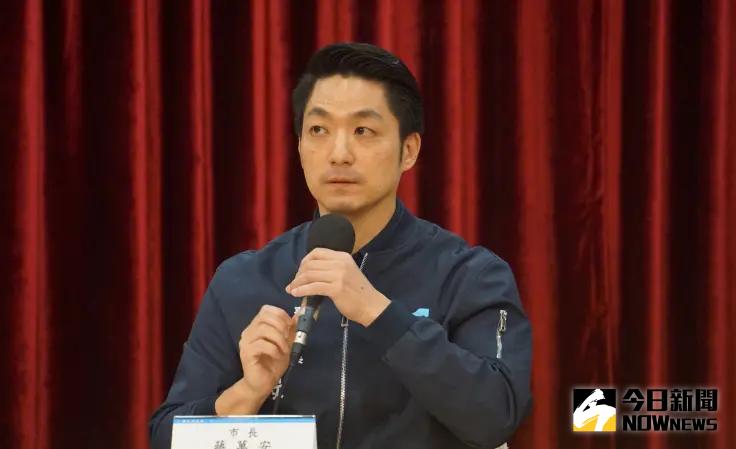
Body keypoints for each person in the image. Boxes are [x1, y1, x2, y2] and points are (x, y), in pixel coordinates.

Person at [149, 42, 532, 449]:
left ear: (409, 150)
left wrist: (378, 313)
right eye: (319, 130)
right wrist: (248, 391)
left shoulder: (469, 275)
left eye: (363, 131)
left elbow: (496, 416)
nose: (339, 154)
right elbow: (166, 436)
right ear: (299, 146)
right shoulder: (242, 279)